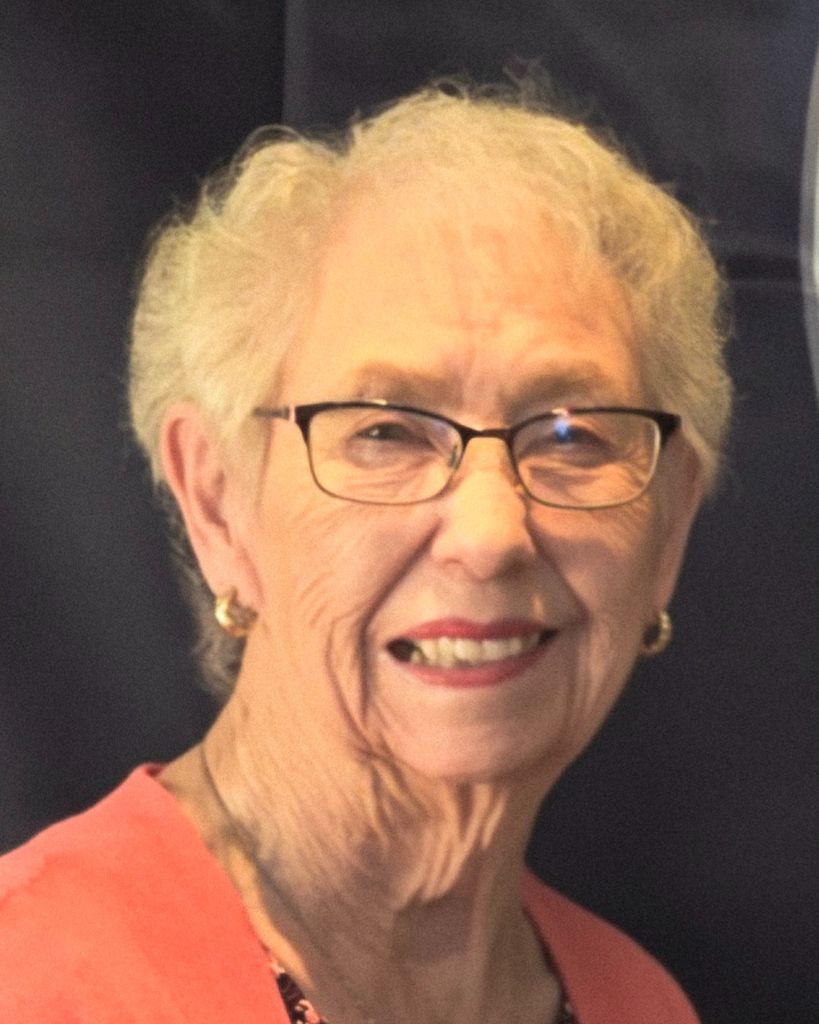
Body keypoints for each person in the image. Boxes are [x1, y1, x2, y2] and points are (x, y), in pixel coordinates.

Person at [0, 79, 731, 1023]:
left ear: (668, 525)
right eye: (386, 432)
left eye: (570, 435)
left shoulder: (636, 1003)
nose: (490, 535)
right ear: (217, 503)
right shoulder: (31, 980)